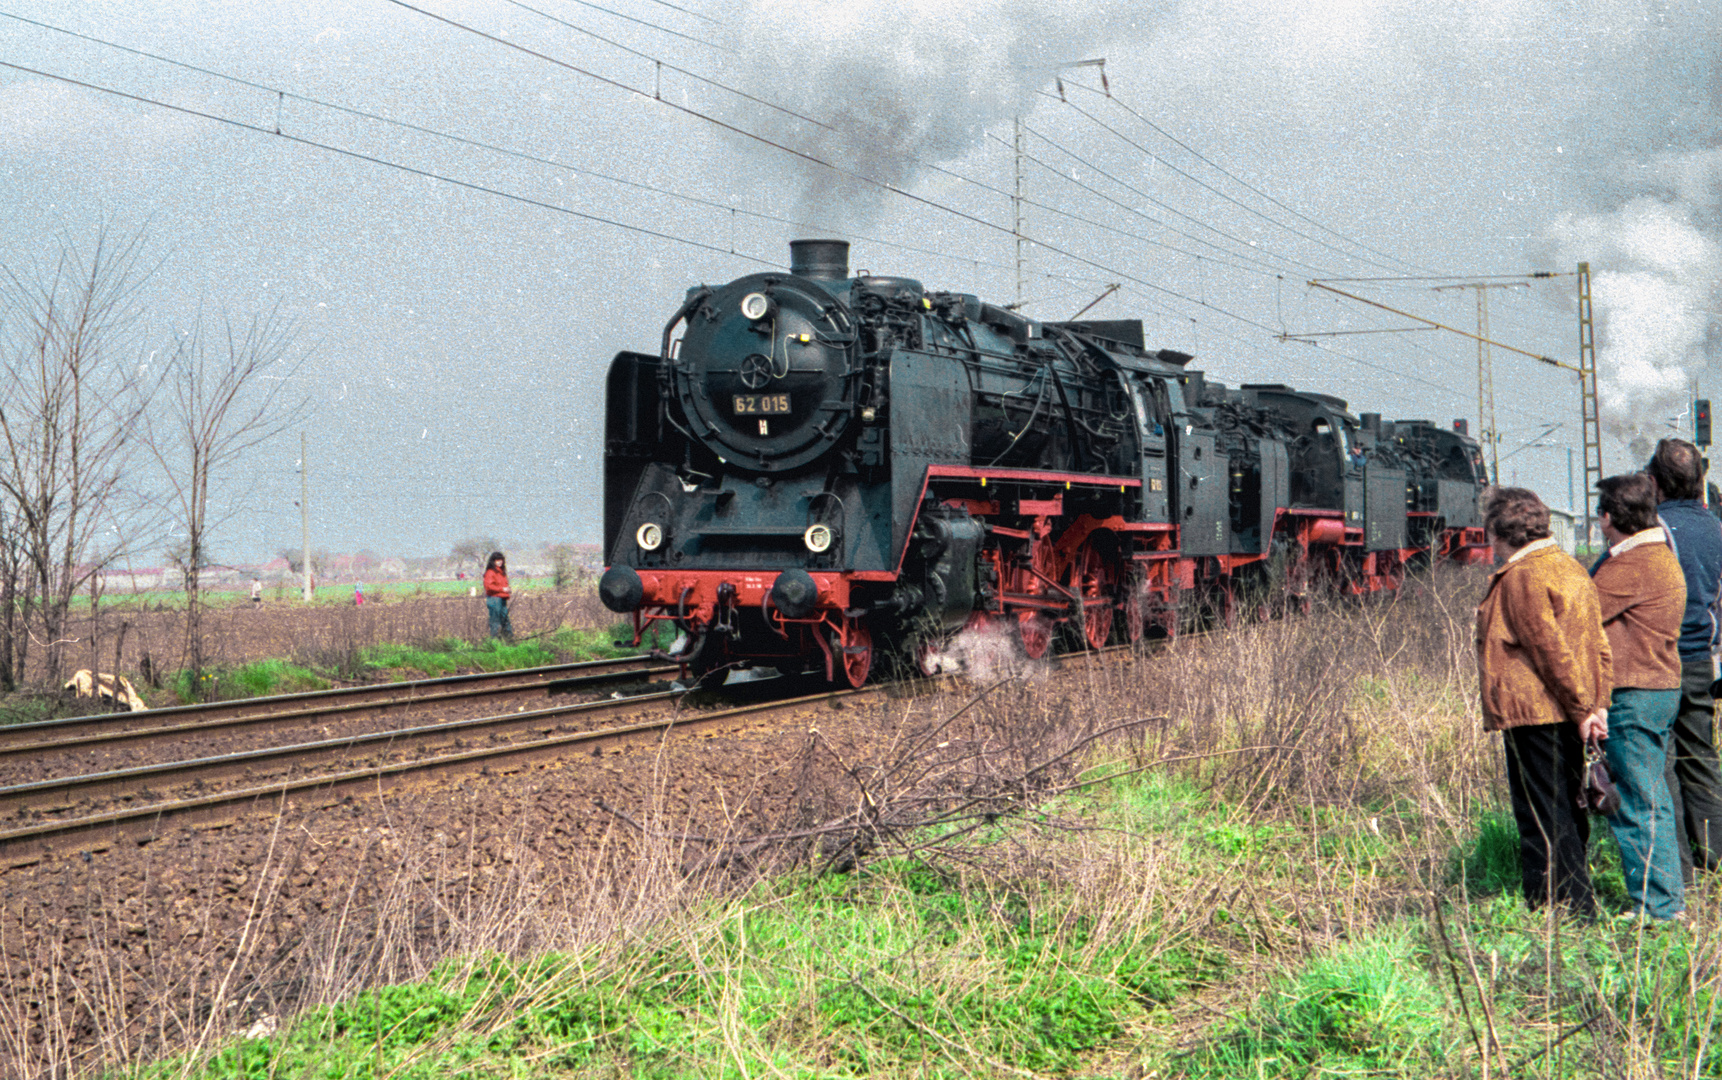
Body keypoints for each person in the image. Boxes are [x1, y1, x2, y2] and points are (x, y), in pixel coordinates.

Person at [1476, 487, 1611, 919]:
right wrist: (1595, 706)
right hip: (1568, 710)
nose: (1490, 545)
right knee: (1568, 810)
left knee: (1541, 813)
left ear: (1500, 530)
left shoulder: (1522, 576)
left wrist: (1582, 708)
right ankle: (1576, 901)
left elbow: (1548, 650)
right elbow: (1599, 645)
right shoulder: (1570, 567)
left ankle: (1556, 906)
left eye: (1490, 533)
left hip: (1536, 711)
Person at [1591, 474, 1687, 921]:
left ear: (1609, 516)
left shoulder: (1631, 565)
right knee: (1652, 797)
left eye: (1600, 512)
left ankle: (1657, 908)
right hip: (1659, 687)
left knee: (1636, 801)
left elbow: (1576, 611)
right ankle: (1665, 898)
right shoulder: (1659, 555)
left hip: (1635, 692)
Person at [1648, 438, 1722, 874]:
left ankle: (1678, 869)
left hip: (1660, 661)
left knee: (1664, 764)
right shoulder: (1717, 527)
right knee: (1702, 758)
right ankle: (1714, 855)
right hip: (1701, 662)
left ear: (1654, 482)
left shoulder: (1653, 530)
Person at [483, 551, 513, 641]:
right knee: (495, 622)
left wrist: (507, 589)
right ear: (493, 561)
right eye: (497, 560)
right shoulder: (490, 572)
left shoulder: (501, 572)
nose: (500, 562)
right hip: (494, 599)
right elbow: (488, 586)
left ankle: (509, 641)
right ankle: (495, 642)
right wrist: (503, 589)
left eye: (501, 560)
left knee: (505, 621)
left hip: (502, 598)